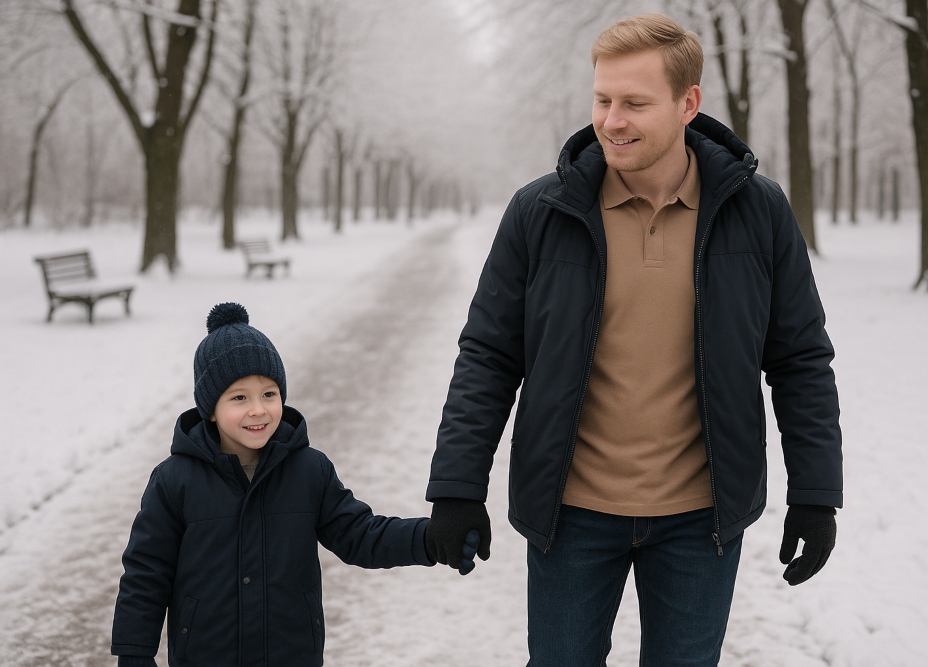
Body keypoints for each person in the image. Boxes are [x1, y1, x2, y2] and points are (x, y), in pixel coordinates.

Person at [423, 13, 843, 666]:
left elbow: (799, 361)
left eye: (634, 103)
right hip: (571, 514)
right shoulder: (539, 213)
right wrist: (456, 486)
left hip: (701, 520)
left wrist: (815, 496)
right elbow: (488, 356)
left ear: (688, 104)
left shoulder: (758, 212)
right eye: (602, 99)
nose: (612, 120)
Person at [111, 303, 474, 667]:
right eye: (239, 397)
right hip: (207, 655)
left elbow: (360, 534)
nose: (258, 410)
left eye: (269, 394)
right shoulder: (175, 481)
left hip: (291, 653)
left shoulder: (308, 470)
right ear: (210, 408)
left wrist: (429, 539)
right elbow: (146, 573)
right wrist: (134, 652)